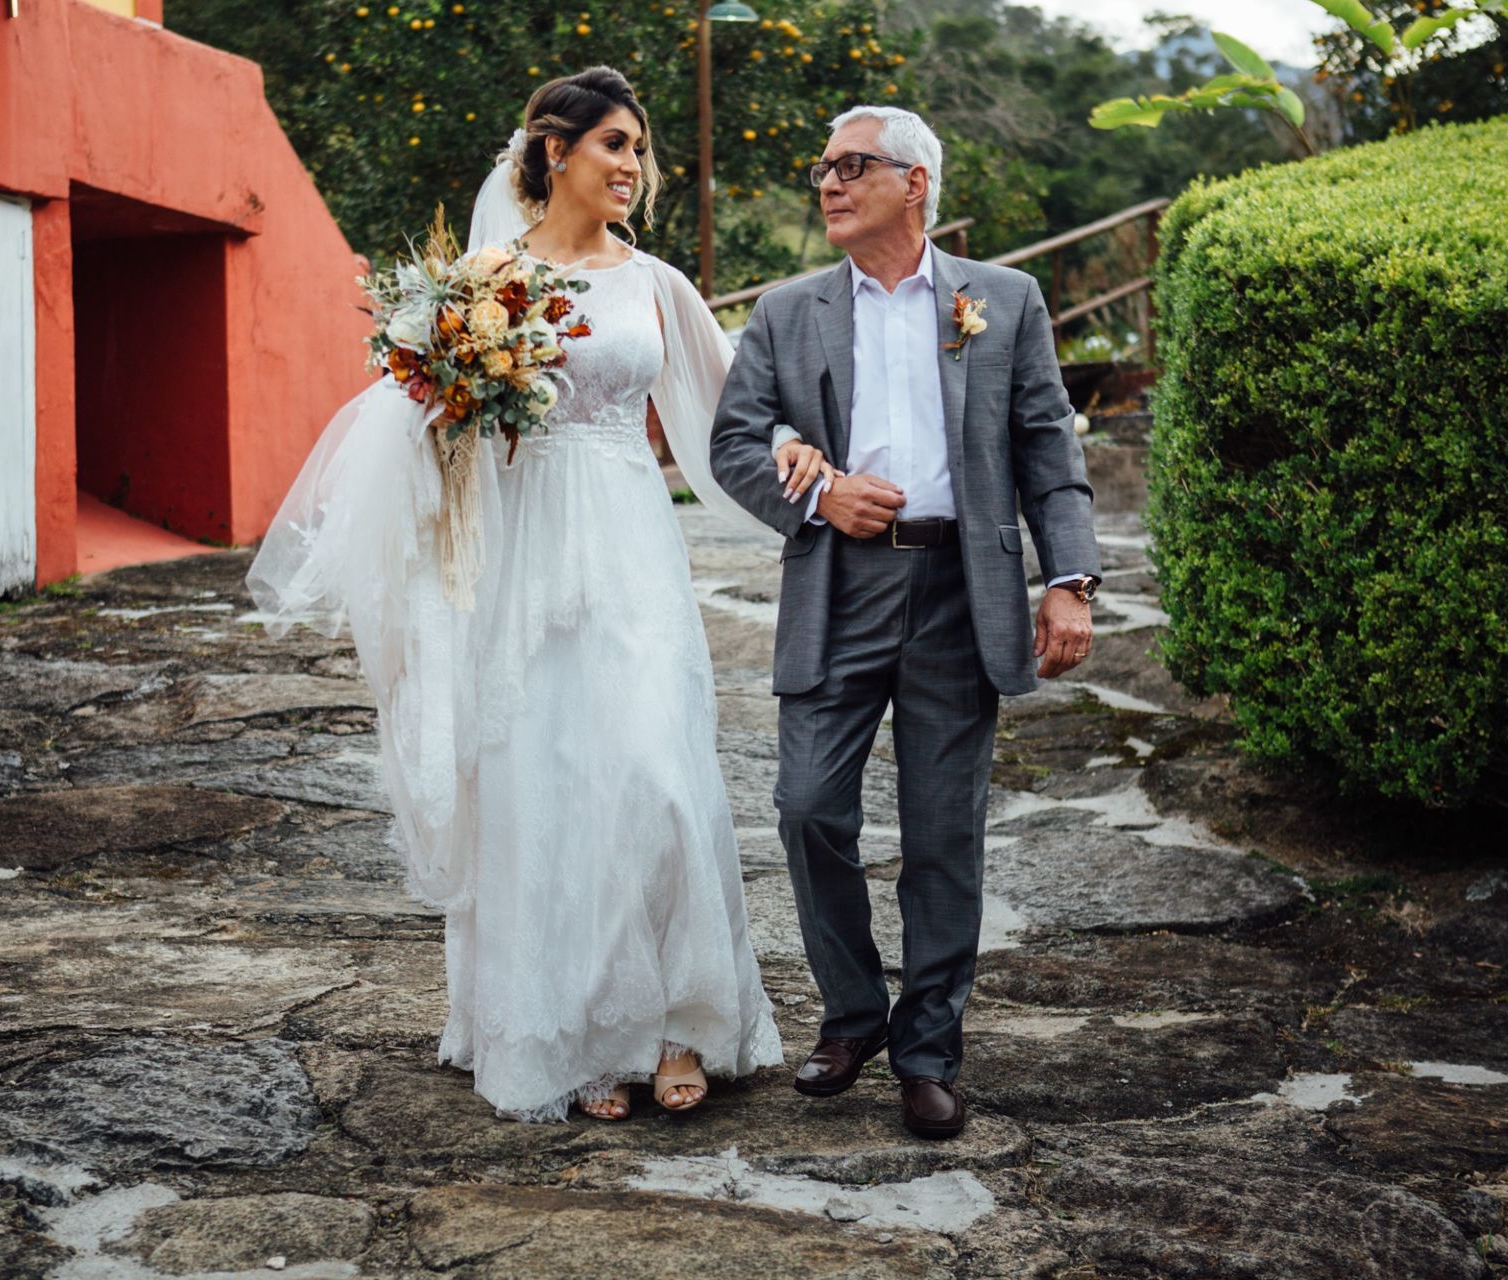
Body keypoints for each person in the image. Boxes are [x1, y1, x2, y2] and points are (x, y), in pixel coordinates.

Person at [249, 67, 826, 1123]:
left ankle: (680, 1022)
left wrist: (803, 467)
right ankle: (584, 1032)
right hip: (521, 552)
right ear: (554, 151)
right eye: (615, 144)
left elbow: (731, 400)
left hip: (633, 546)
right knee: (551, 780)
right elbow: (417, 420)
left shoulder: (655, 282)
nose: (634, 167)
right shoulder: (484, 280)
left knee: (654, 770)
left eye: (641, 150)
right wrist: (453, 393)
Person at [709, 105, 1101, 1140]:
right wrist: (818, 494)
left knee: (943, 835)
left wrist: (1070, 579)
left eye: (852, 166)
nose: (828, 184)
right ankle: (852, 1013)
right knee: (805, 806)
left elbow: (1047, 450)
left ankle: (927, 1049)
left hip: (958, 592)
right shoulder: (786, 311)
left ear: (915, 182)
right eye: (822, 168)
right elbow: (735, 442)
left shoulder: (1003, 300)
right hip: (836, 583)